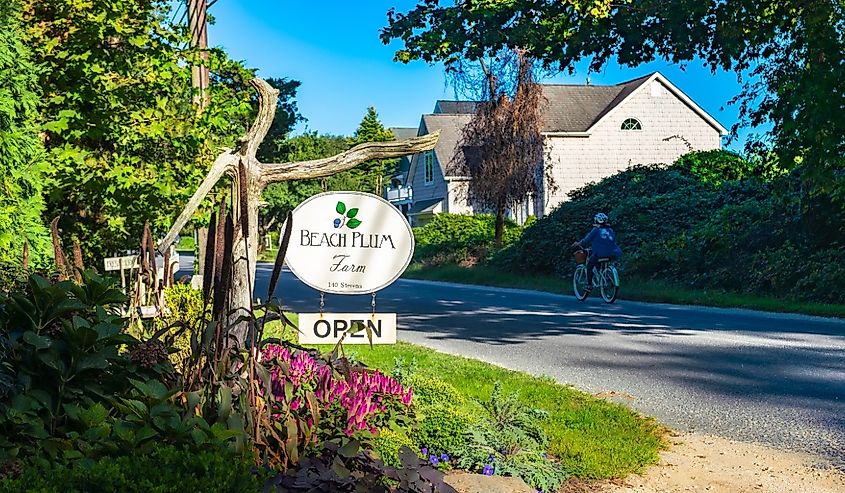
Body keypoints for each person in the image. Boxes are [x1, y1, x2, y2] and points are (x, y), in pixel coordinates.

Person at [572, 213, 622, 296]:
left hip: (600, 254)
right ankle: (605, 278)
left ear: (596, 221)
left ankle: (589, 285)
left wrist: (578, 244)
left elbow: (586, 241)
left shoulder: (595, 230)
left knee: (589, 266)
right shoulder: (610, 230)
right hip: (612, 253)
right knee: (600, 265)